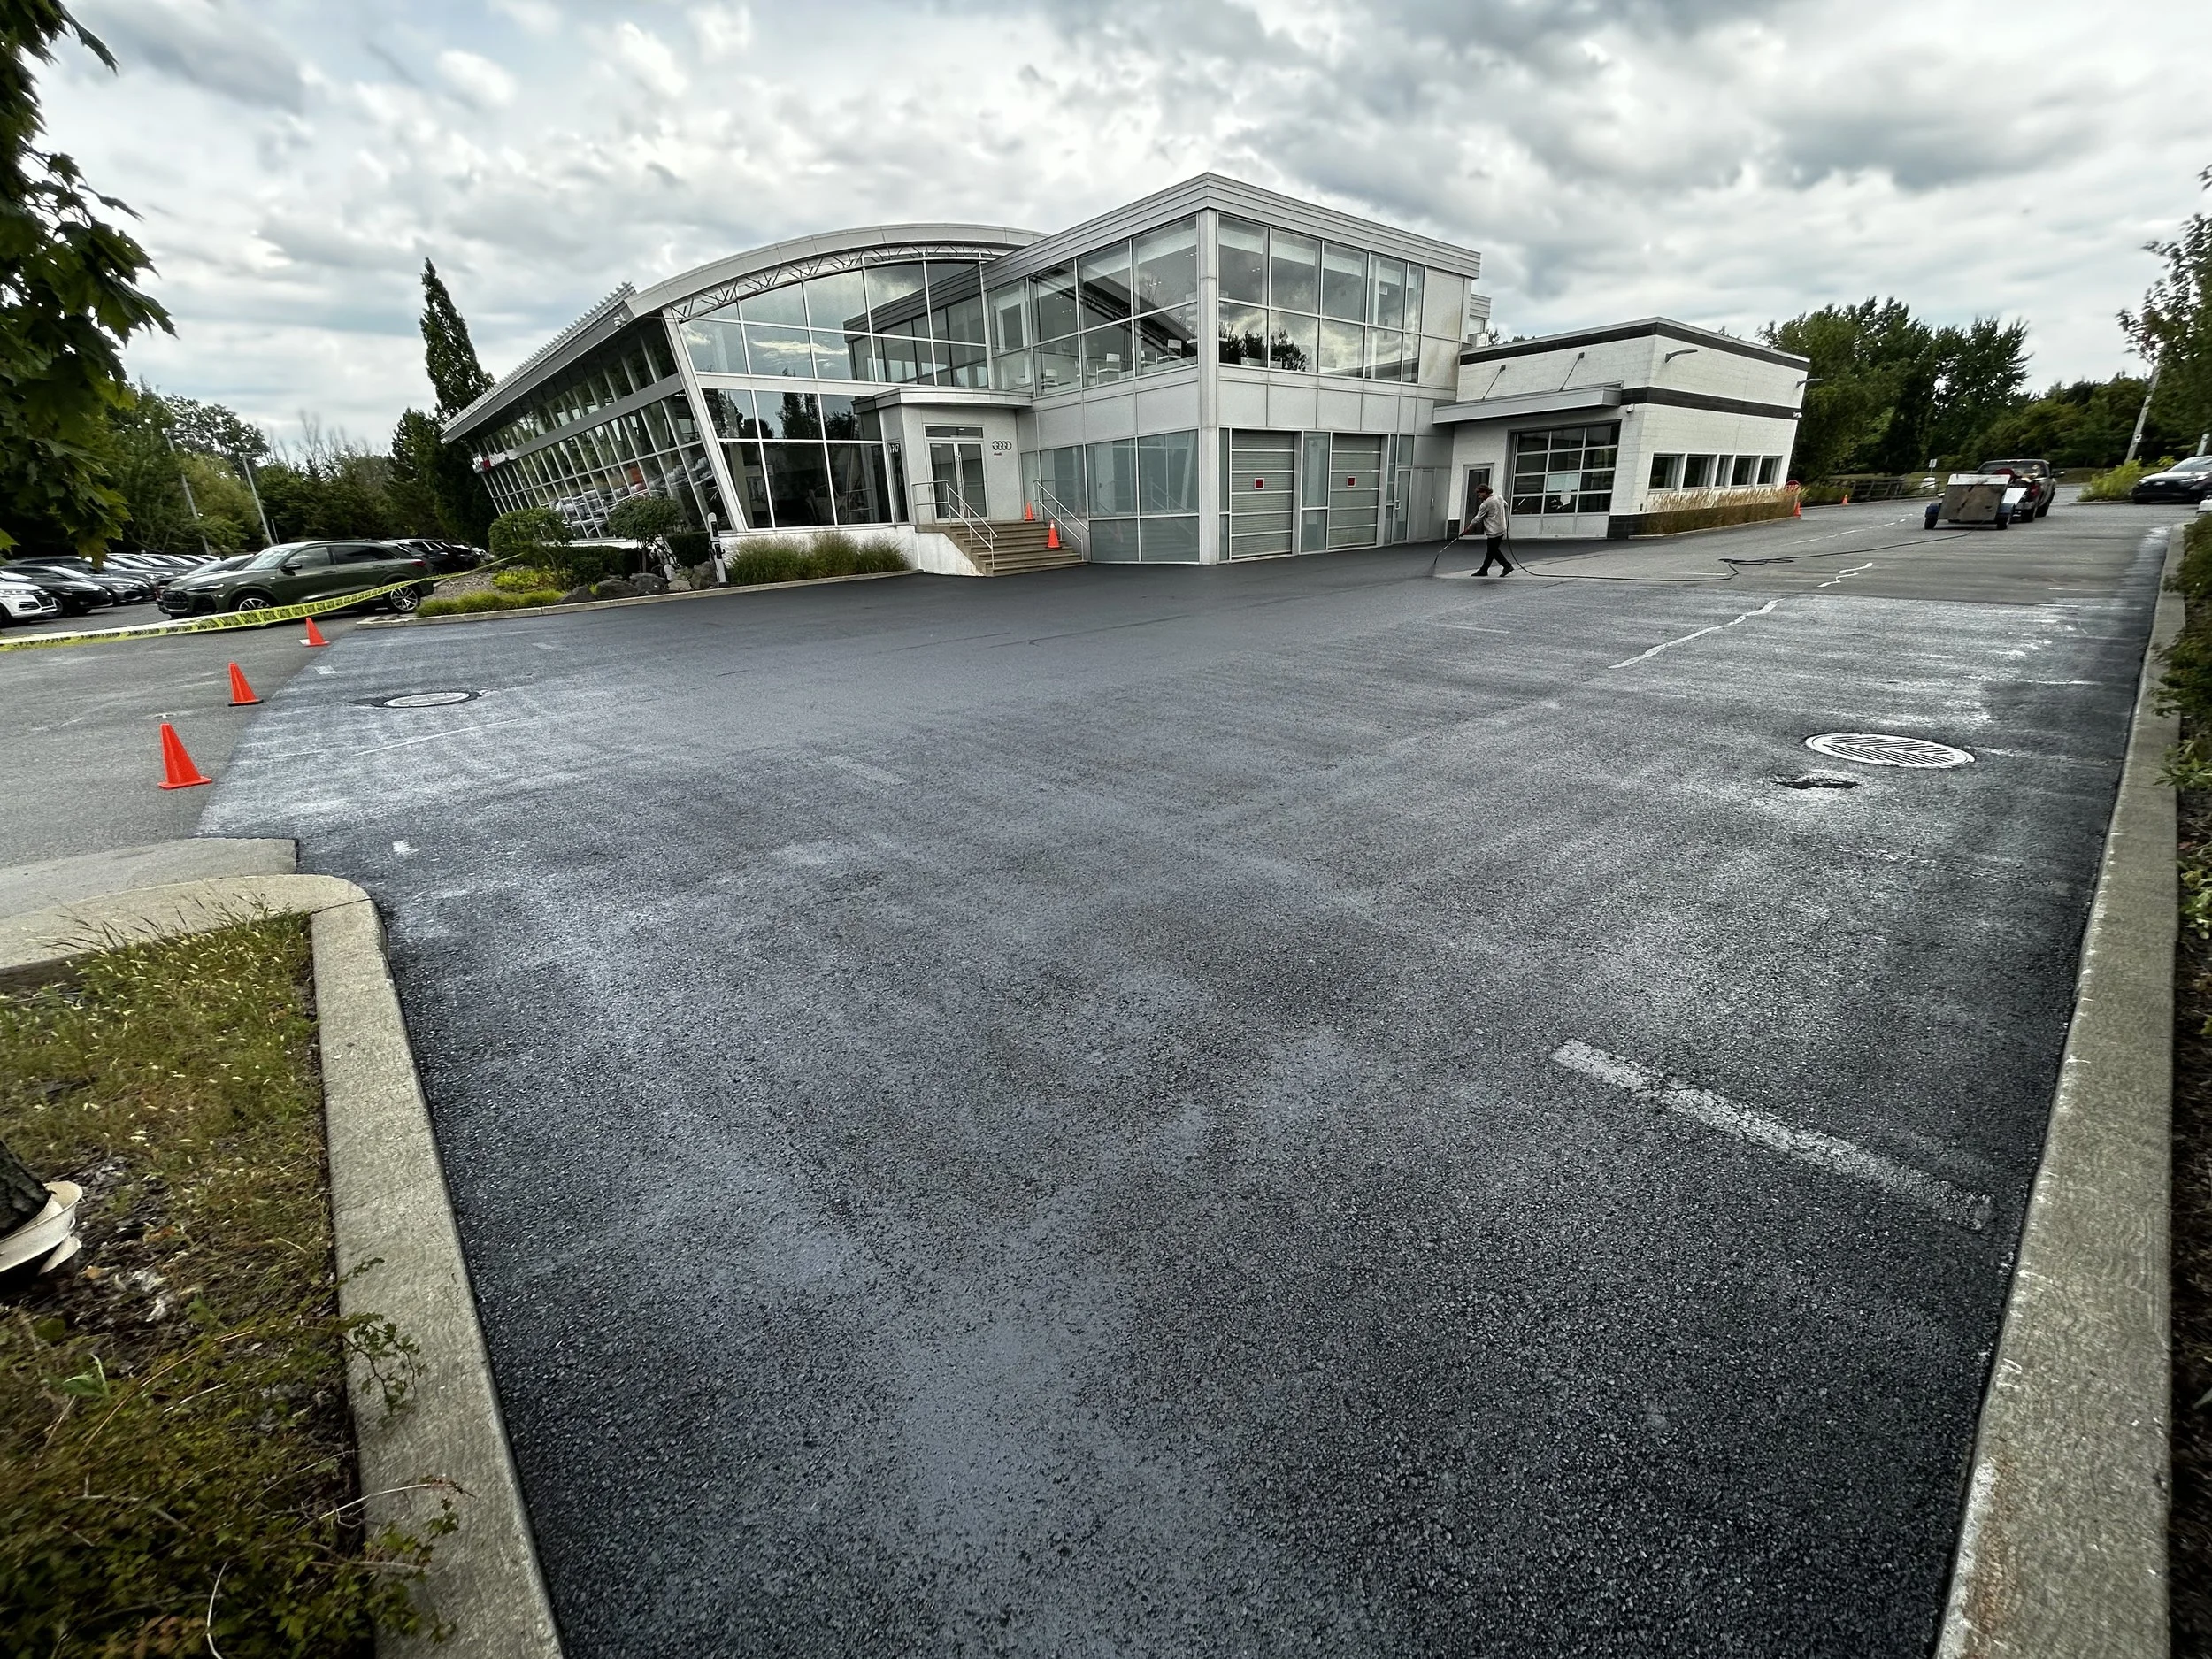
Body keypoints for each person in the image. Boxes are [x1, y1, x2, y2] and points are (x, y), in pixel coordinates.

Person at [1470, 484, 1513, 574]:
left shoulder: (1485, 504)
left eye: (1480, 494)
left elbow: (1478, 518)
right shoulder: (1499, 497)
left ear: (1485, 492)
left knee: (1492, 551)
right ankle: (1484, 570)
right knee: (1492, 551)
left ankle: (1507, 566)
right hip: (1501, 528)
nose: (1479, 497)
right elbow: (1506, 505)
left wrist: (1468, 529)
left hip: (1494, 531)